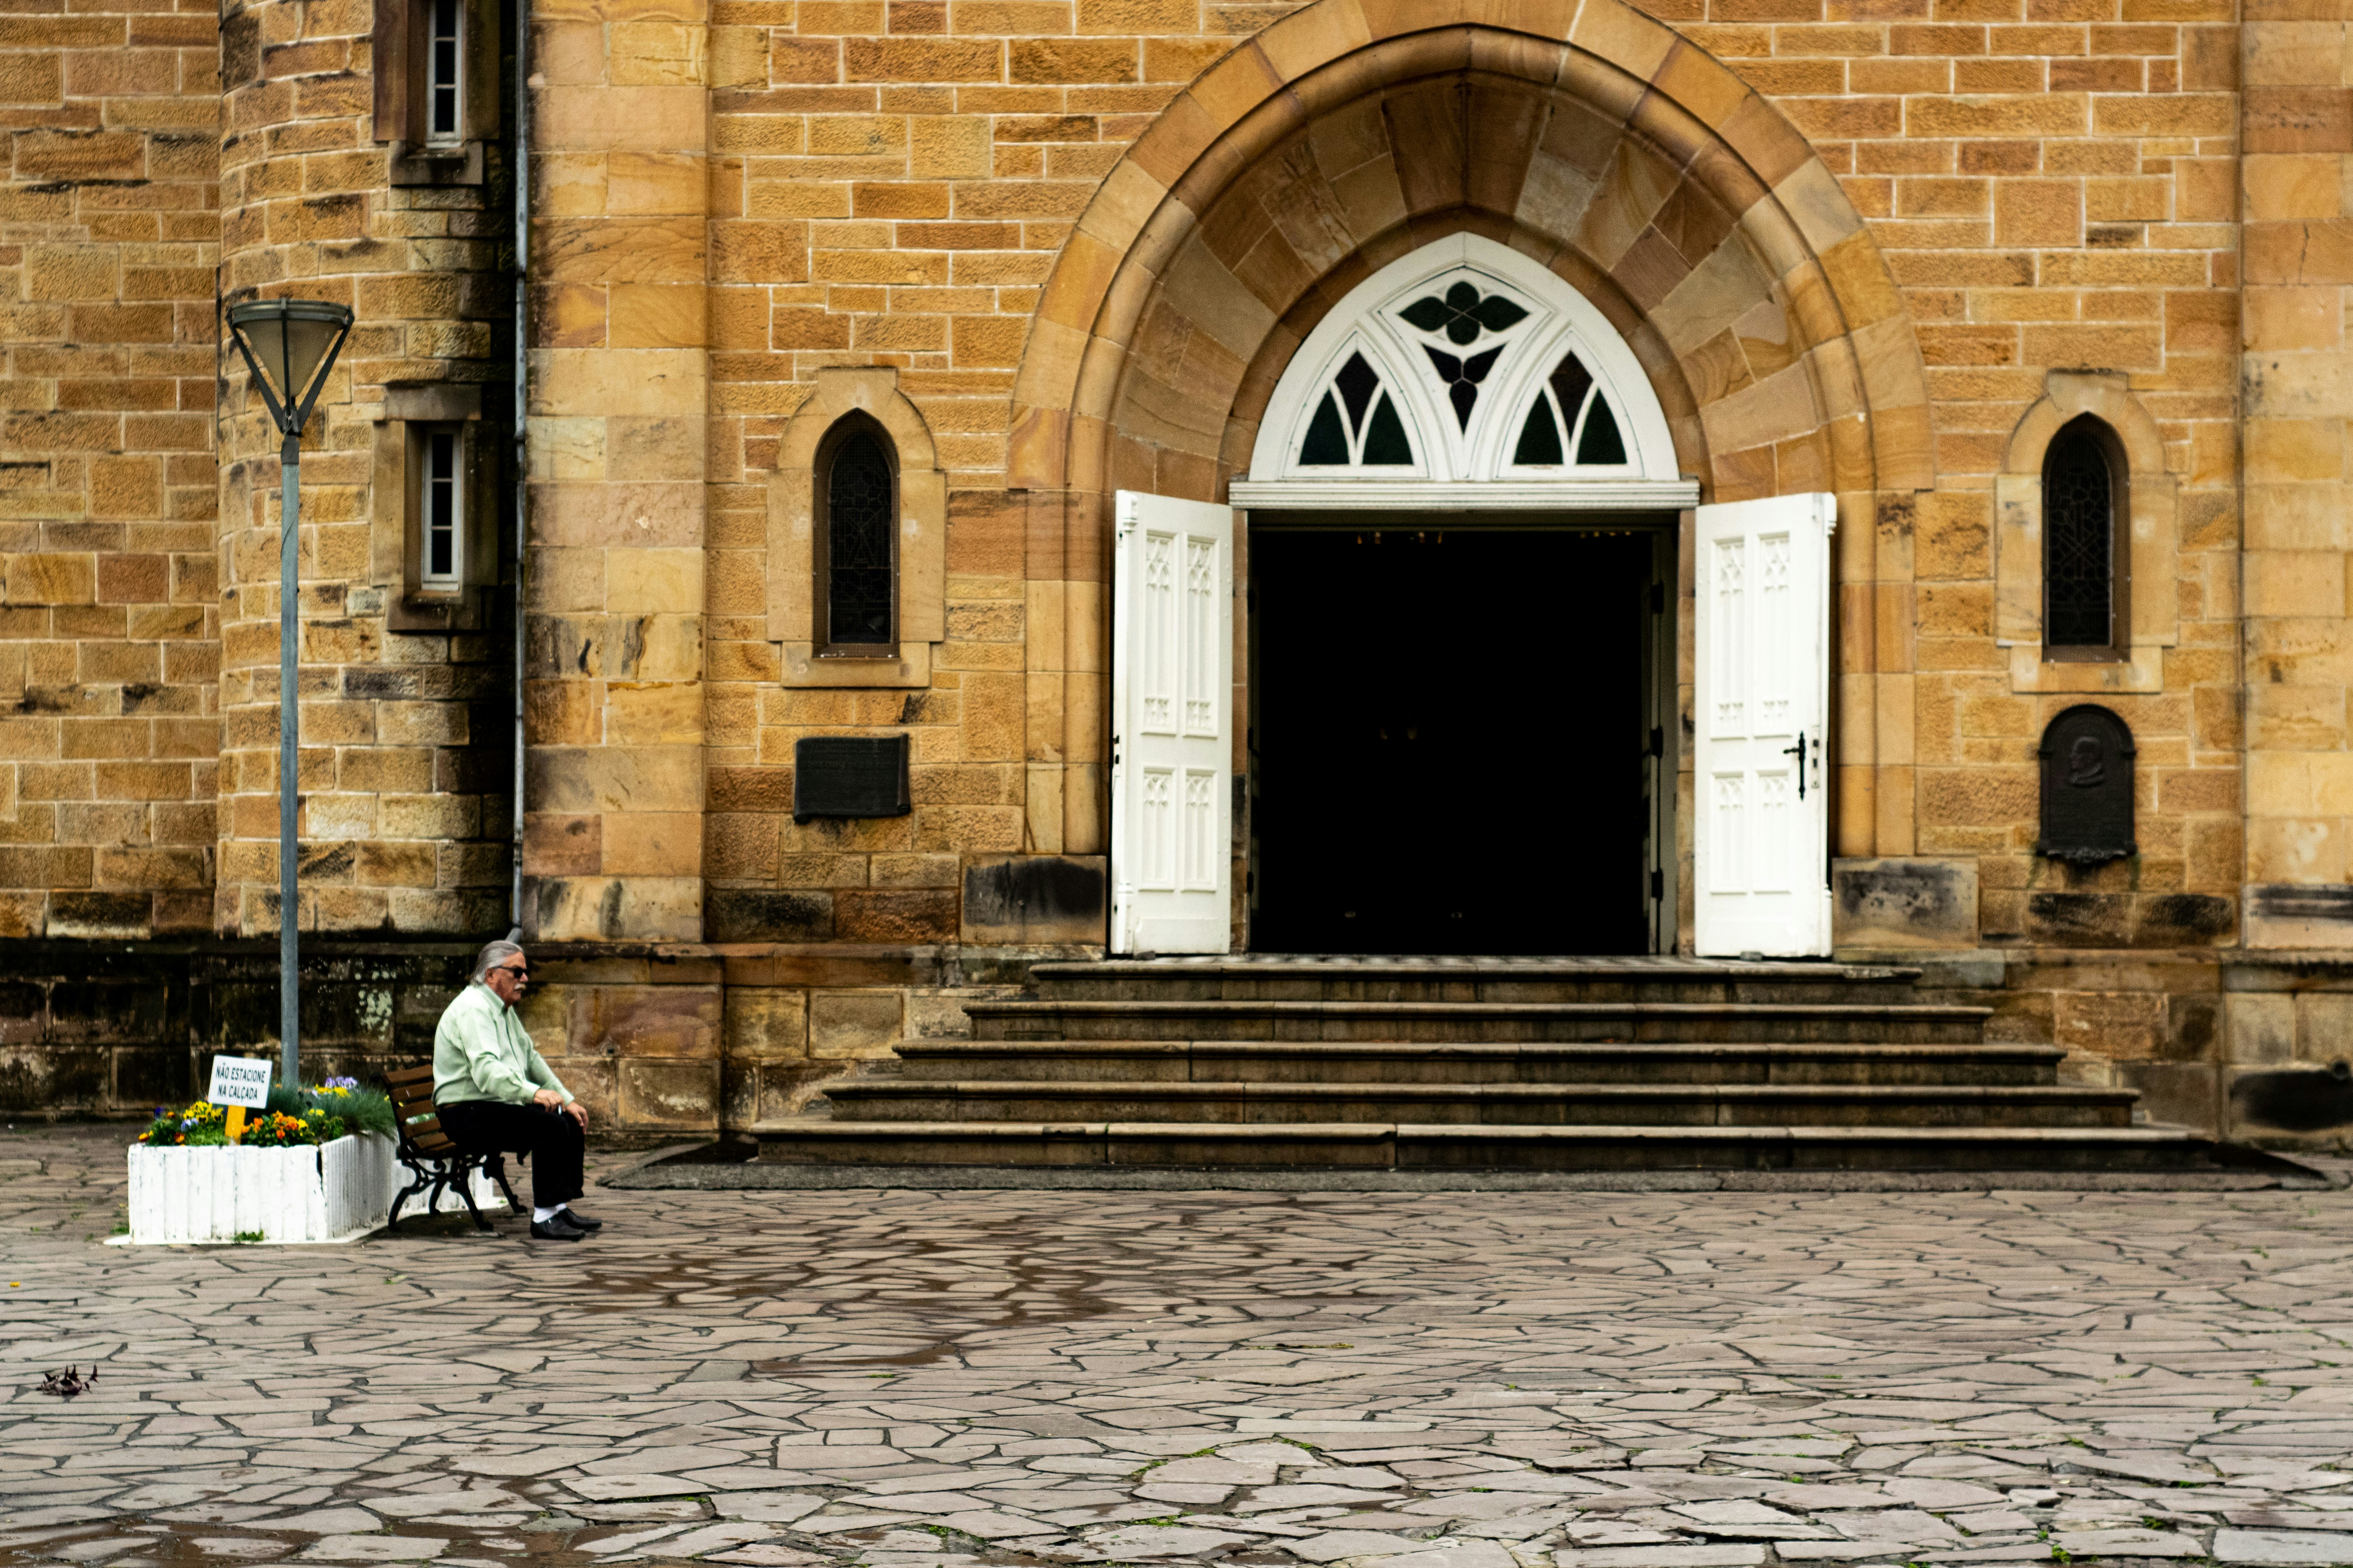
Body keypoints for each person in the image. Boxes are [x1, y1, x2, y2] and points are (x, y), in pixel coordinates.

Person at [432, 939, 600, 1241]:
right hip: (465, 1112)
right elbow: (486, 1072)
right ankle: (544, 1218)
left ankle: (559, 1206)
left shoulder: (502, 1008)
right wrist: (533, 1094)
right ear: (491, 975)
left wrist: (568, 1098)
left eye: (526, 971)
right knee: (548, 1124)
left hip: (488, 1105)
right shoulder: (474, 1009)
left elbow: (531, 1057)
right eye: (517, 971)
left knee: (568, 1117)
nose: (525, 978)